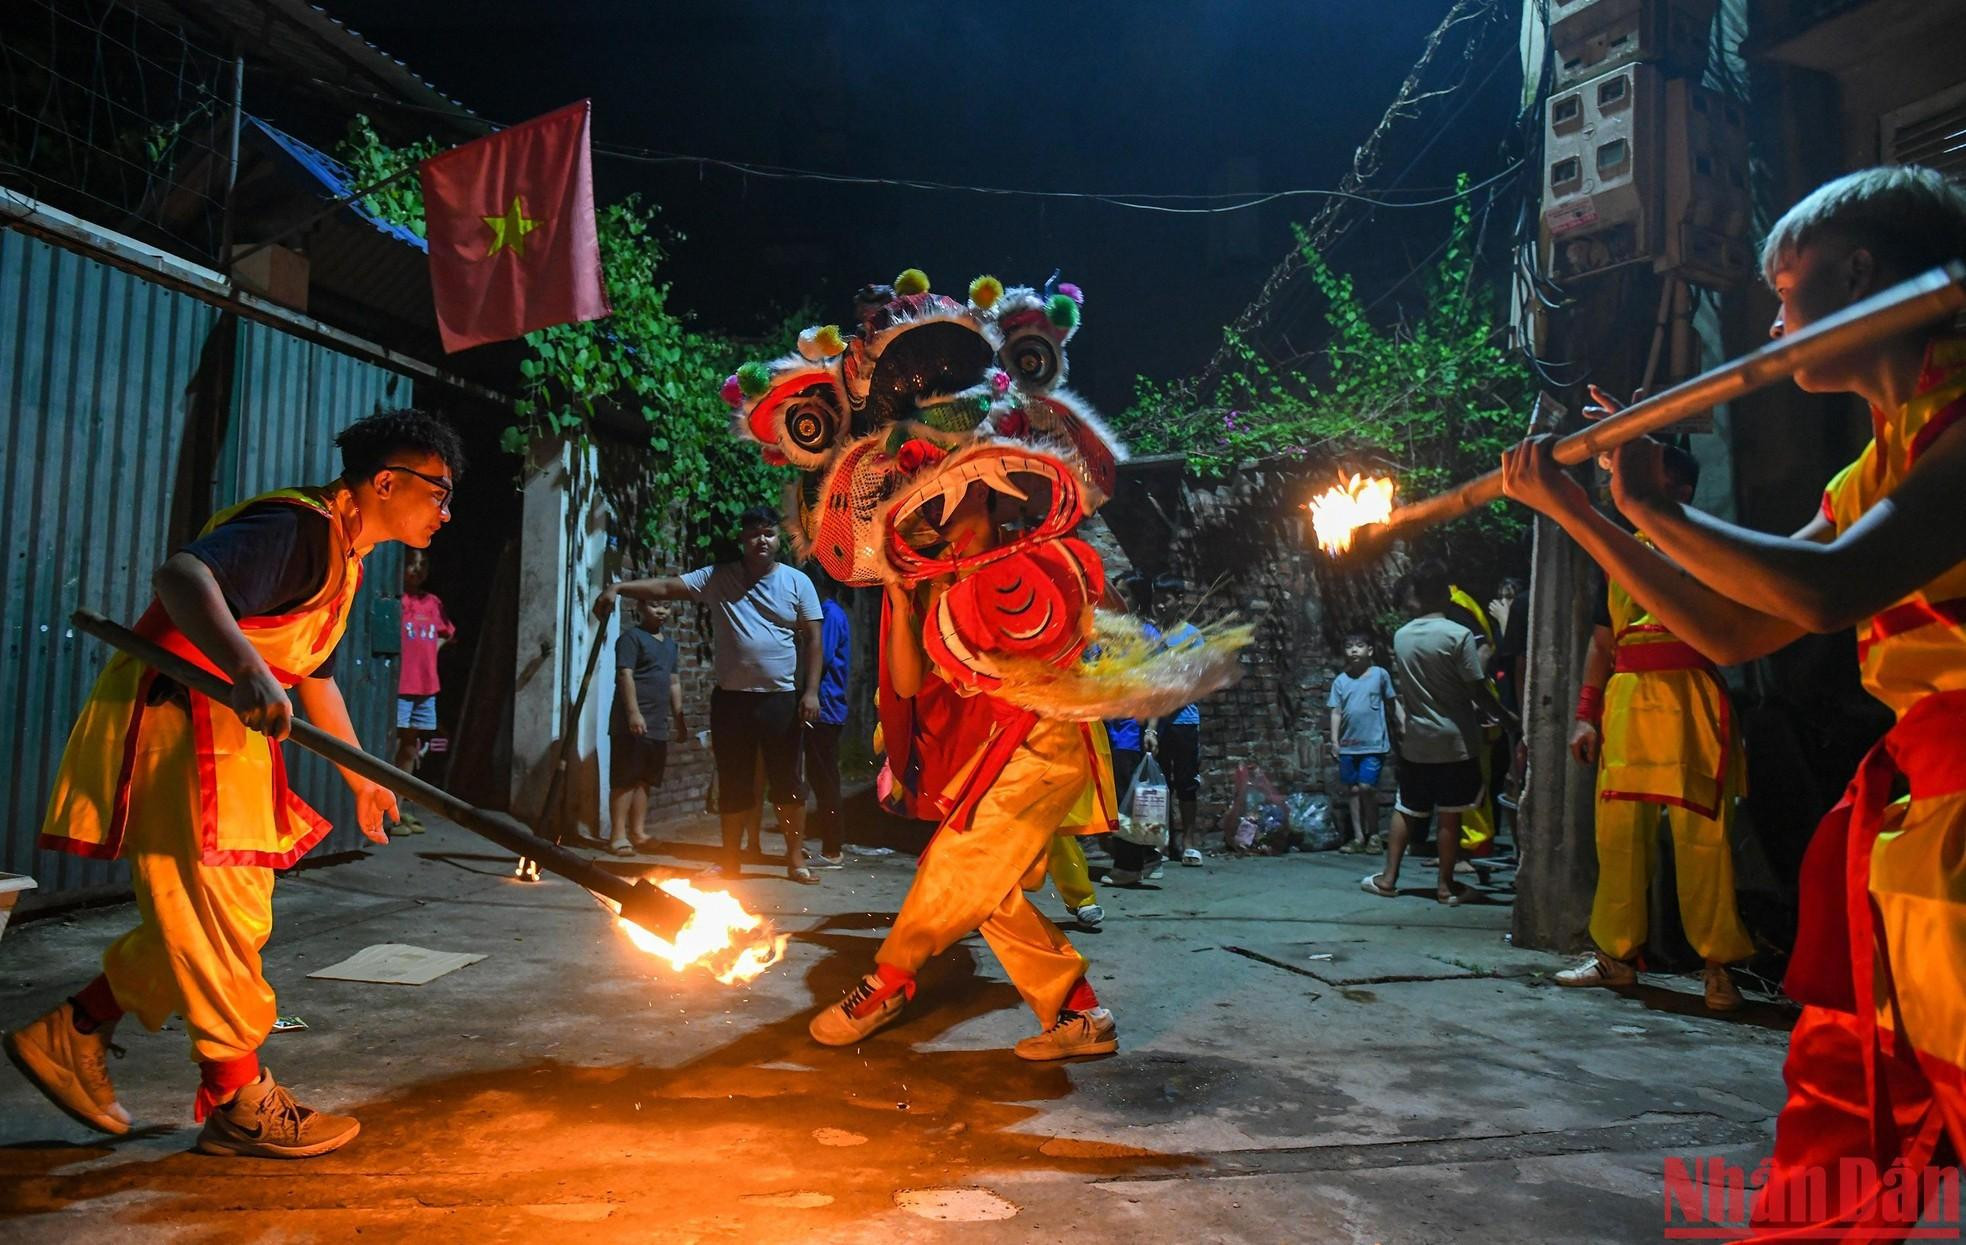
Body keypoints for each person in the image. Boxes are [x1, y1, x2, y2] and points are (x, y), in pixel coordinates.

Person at [1500, 166, 1966, 1238]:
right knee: (1843, 1136)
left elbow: (1826, 588)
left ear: (1863, 275)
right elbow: (1731, 627)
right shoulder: (1870, 472)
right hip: (1916, 832)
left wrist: (1655, 506)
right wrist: (1594, 510)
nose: (1773, 322)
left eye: (1786, 289)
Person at [4, 409, 459, 1158]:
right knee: (214, 917)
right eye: (439, 492)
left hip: (228, 740)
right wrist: (247, 667)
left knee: (214, 918)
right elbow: (183, 577)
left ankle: (76, 1027)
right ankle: (240, 1097)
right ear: (386, 481)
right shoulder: (298, 527)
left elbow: (312, 675)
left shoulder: (344, 554)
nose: (446, 512)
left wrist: (362, 778)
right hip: (184, 722)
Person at [807, 481, 1118, 1061]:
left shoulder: (1030, 557)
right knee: (986, 892)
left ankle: (889, 982)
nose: (938, 517)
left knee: (955, 863)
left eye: (953, 500)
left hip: (1041, 741)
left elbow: (1099, 614)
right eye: (927, 509)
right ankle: (1080, 1012)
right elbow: (905, 684)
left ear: (994, 498)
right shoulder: (924, 581)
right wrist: (901, 603)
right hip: (987, 757)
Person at [1554, 446, 1752, 1010]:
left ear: (1681, 493)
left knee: (1704, 838)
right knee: (1619, 834)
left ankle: (1720, 967)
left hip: (1691, 696)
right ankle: (1615, 958)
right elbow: (1602, 644)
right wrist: (1583, 715)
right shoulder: (1620, 555)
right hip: (1629, 700)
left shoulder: (1712, 549)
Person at [599, 506, 824, 884]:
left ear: (778, 540)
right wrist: (619, 588)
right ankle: (731, 860)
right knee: (733, 781)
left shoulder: (797, 583)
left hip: (778, 698)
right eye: (754, 534)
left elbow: (814, 637)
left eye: (768, 534)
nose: (761, 541)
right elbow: (667, 588)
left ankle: (794, 858)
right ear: (743, 539)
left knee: (787, 783)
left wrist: (812, 691)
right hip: (732, 700)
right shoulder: (720, 578)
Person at [1362, 561, 1514, 905]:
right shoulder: (1457, 636)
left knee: (1406, 808)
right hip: (1456, 740)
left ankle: (1388, 879)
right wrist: (1507, 719)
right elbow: (1476, 690)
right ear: (1443, 595)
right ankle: (1446, 887)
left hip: (1417, 740)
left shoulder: (1401, 637)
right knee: (1450, 812)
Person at [608, 597, 682, 856]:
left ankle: (637, 832)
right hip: (632, 722)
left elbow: (673, 681)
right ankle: (617, 835)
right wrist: (633, 713)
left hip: (657, 723)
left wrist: (679, 718)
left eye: (666, 605)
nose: (661, 610)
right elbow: (624, 674)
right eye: (653, 604)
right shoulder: (631, 639)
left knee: (645, 779)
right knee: (625, 778)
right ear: (640, 608)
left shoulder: (671, 644)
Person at [1143, 573, 1205, 866]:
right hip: (1157, 722)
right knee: (1160, 784)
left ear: (1179, 601)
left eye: (1164, 600)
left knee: (1186, 783)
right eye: (1156, 600)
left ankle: (1190, 841)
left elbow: (1191, 682)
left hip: (1183, 722)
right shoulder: (1153, 637)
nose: (1159, 606)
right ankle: (1163, 842)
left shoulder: (1191, 636)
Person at [391, 548, 453, 833]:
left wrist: (428, 654)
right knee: (392, 744)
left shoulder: (432, 602)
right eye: (411, 564)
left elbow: (447, 633)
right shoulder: (395, 600)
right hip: (401, 685)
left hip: (426, 687)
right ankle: (384, 812)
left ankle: (398, 809)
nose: (417, 569)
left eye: (422, 564)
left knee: (409, 747)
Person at [1328, 633, 1396, 854]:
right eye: (1349, 647)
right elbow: (1336, 711)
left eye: (1360, 645)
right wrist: (1335, 741)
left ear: (1370, 650)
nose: (1354, 650)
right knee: (1354, 791)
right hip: (1349, 744)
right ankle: (1358, 837)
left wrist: (1402, 724)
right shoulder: (1341, 681)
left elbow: (1391, 702)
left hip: (1374, 743)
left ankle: (1374, 833)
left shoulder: (1379, 675)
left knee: (1367, 787)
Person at [804, 574, 852, 868]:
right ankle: (828, 845)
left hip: (824, 707)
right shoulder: (828, 613)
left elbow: (820, 656)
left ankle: (833, 849)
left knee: (824, 780)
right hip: (825, 706)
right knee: (820, 778)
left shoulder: (829, 614)